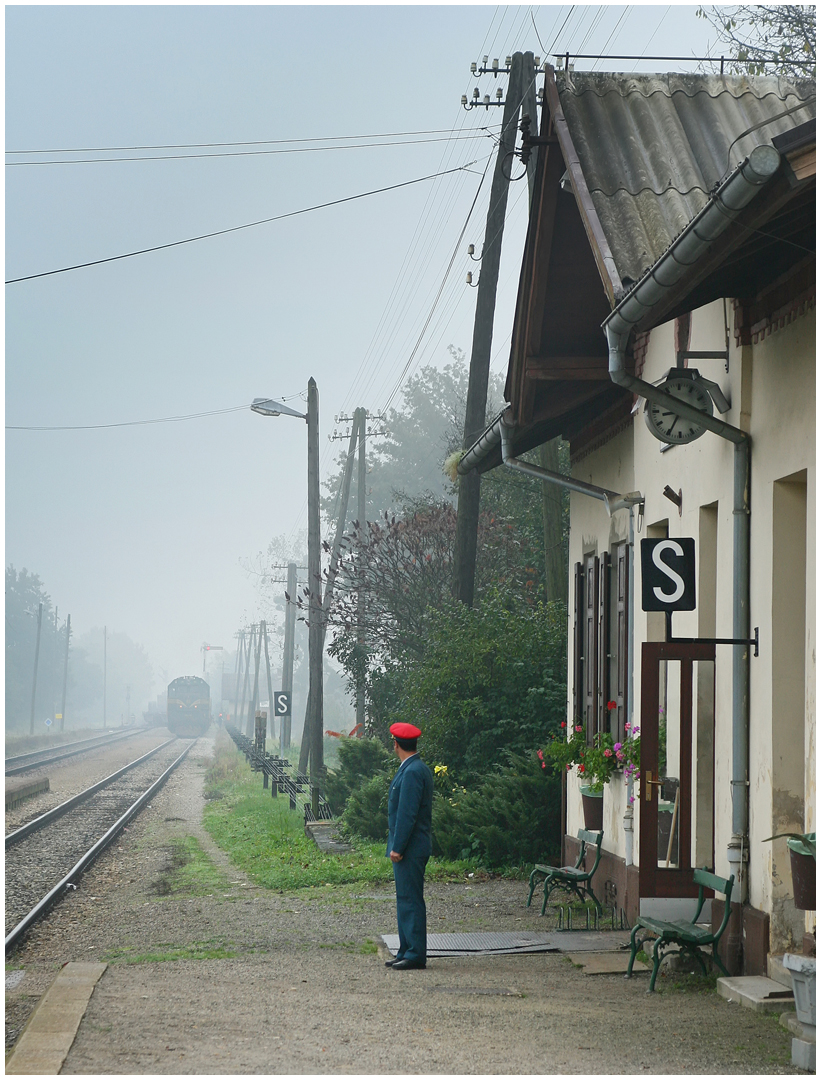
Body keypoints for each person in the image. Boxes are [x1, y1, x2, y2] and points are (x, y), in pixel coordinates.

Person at [385, 721, 433, 971]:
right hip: (409, 846)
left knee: (411, 899)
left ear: (396, 744)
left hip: (410, 848)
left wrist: (398, 847)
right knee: (405, 898)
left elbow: (407, 814)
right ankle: (405, 948)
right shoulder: (413, 767)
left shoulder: (413, 771)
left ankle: (415, 953)